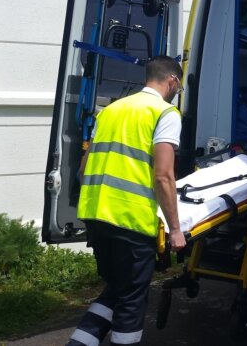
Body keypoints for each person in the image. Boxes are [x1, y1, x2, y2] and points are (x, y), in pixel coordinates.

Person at [67, 56, 186, 346]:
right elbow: (163, 176)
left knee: (118, 289)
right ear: (172, 81)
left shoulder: (111, 110)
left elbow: (84, 168)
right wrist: (175, 229)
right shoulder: (165, 113)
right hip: (130, 220)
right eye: (180, 86)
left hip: (96, 216)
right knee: (132, 300)